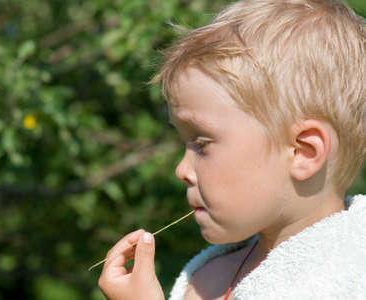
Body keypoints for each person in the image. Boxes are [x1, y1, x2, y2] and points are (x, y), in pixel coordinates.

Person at [98, 0, 366, 299]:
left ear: (303, 152)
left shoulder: (342, 280)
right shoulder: (206, 276)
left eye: (201, 145)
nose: (181, 170)